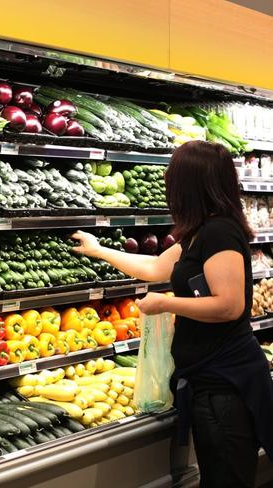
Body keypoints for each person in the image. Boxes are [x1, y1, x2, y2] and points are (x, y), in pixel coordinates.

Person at [72, 140, 273, 488]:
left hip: (225, 386)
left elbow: (229, 306)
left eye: (173, 176)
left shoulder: (219, 233)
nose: (167, 183)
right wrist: (99, 250)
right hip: (210, 380)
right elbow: (154, 267)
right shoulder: (200, 232)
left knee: (227, 478)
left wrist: (166, 304)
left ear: (189, 184)